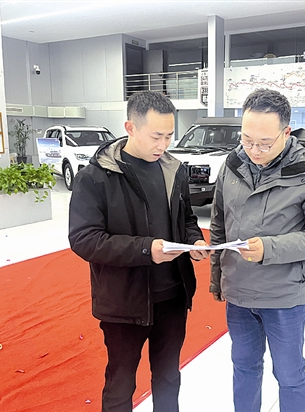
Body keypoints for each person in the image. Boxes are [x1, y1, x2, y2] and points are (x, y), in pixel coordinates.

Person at [69, 91, 210, 412]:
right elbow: (84, 239)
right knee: (120, 384)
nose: (164, 145)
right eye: (156, 136)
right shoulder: (96, 177)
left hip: (172, 298)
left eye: (169, 136)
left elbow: (186, 218)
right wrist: (146, 250)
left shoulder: (174, 170)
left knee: (168, 377)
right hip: (123, 301)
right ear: (130, 127)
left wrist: (194, 241)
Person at [210, 88, 305, 412]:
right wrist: (217, 277)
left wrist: (270, 248)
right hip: (239, 294)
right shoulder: (231, 165)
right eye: (247, 140)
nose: (254, 150)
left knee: (289, 375)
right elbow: (219, 226)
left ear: (286, 132)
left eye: (265, 143)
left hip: (284, 297)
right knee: (244, 368)